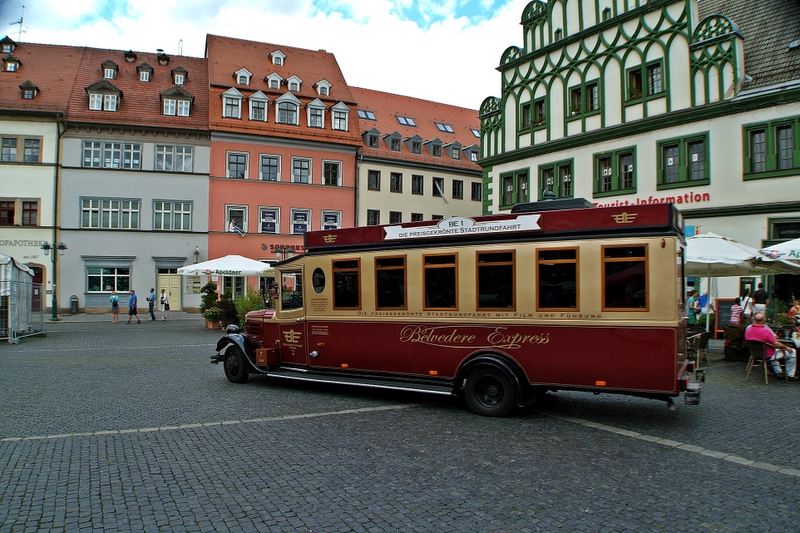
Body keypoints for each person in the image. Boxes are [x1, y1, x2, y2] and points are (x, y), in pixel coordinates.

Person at [745, 312, 797, 379]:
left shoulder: (748, 330)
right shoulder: (765, 331)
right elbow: (776, 343)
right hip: (769, 355)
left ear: (754, 319)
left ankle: (779, 372)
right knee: (792, 352)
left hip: (755, 354)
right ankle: (790, 375)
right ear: (764, 320)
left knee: (772, 349)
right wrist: (786, 347)